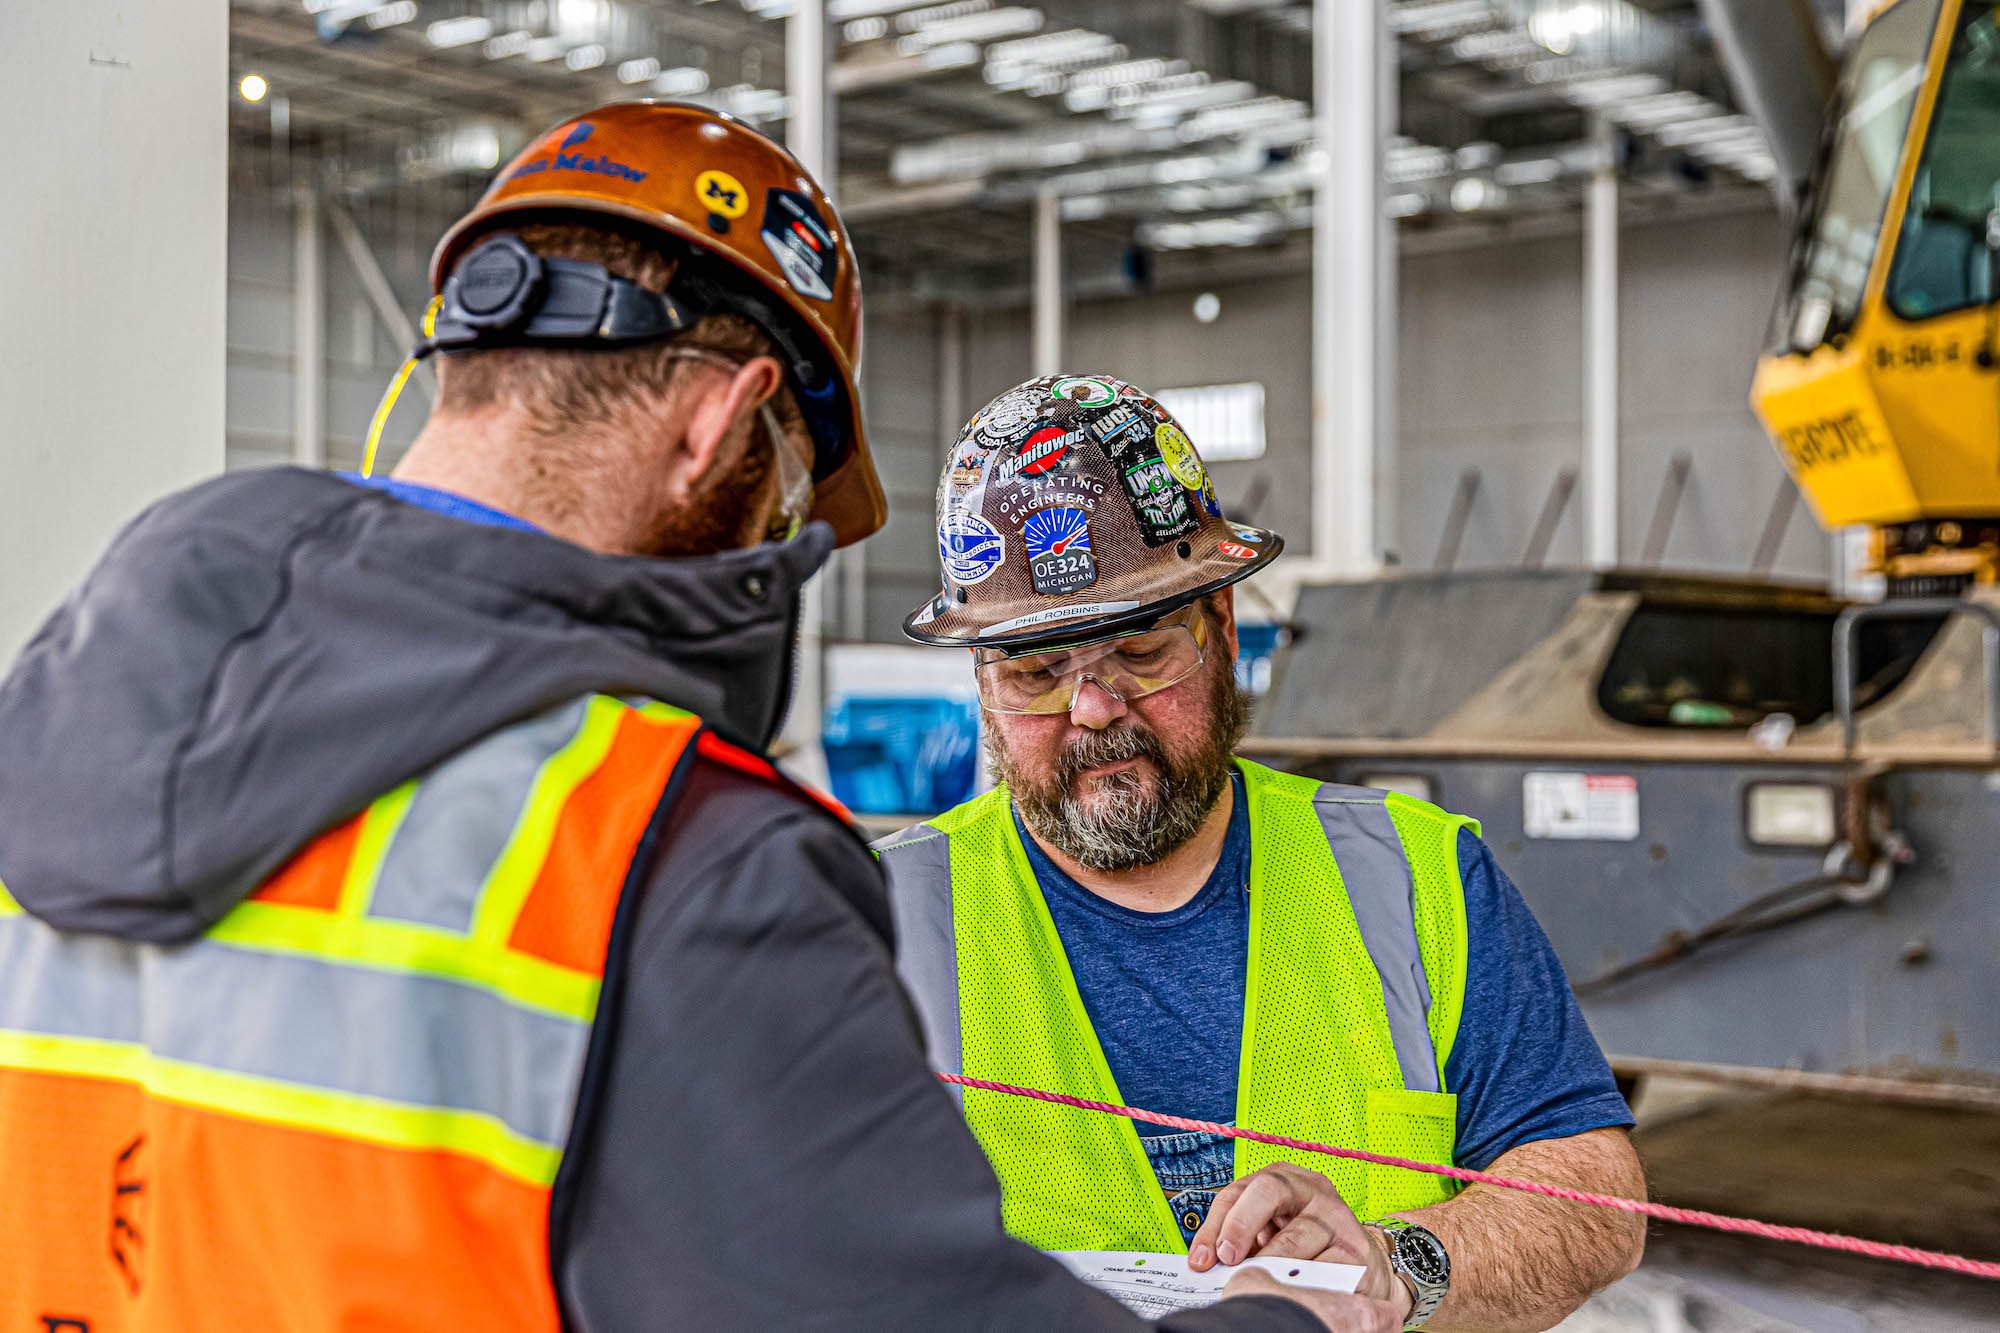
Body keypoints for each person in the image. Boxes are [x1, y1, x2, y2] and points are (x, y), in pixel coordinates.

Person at [0, 107, 1345, 1330]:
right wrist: (1307, 1317)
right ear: (722, 420)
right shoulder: (672, 852)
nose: (769, 539)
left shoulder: (46, 727)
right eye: (786, 497)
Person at [877, 374, 1650, 1332]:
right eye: (1036, 673)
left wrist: (1399, 1263)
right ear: (982, 684)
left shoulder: (1413, 875)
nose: (1093, 708)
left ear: (1222, 631)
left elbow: (1592, 1189)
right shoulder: (877, 917)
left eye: (1142, 651)